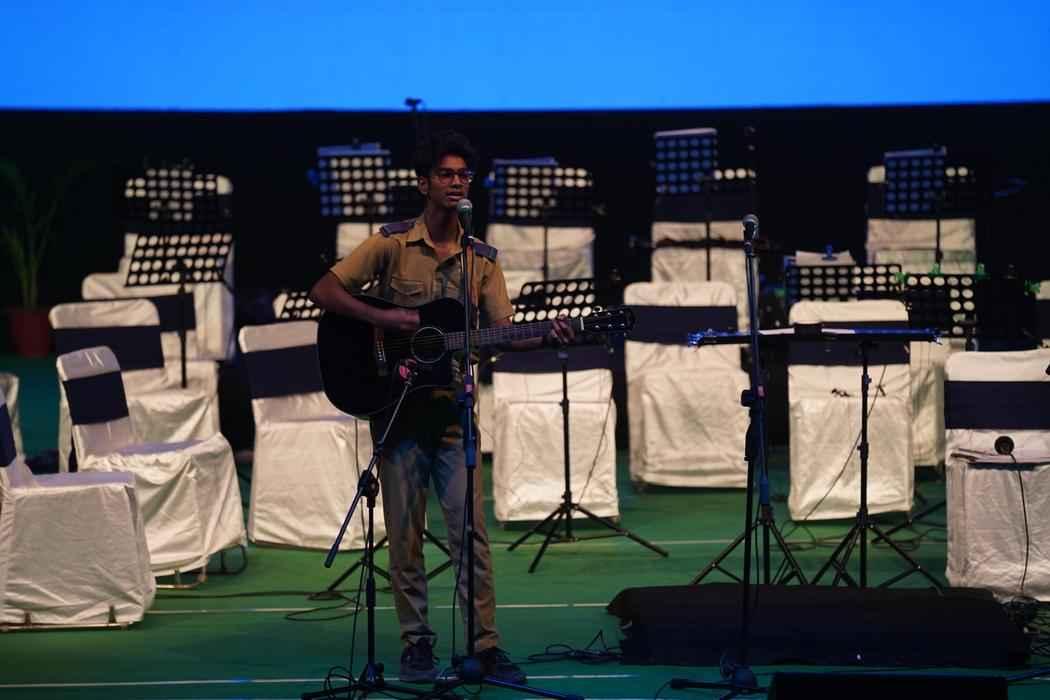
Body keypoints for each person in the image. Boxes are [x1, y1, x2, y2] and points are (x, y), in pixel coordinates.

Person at [310, 131, 573, 684]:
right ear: (424, 182)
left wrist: (546, 334)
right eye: (446, 174)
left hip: (454, 412)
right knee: (404, 537)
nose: (456, 183)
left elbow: (501, 331)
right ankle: (417, 644)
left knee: (470, 535)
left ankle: (484, 645)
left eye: (463, 175)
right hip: (398, 410)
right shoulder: (390, 245)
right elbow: (325, 292)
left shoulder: (482, 260)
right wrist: (386, 319)